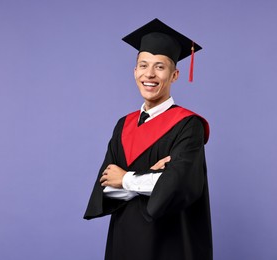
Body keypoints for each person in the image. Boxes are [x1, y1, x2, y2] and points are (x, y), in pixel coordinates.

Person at [84, 18, 213, 260]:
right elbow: (107, 189)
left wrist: (126, 178)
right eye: (143, 66)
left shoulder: (188, 125)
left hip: (171, 242)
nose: (149, 74)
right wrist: (153, 179)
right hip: (124, 239)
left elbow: (181, 187)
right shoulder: (123, 125)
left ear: (174, 75)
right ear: (135, 72)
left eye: (160, 67)